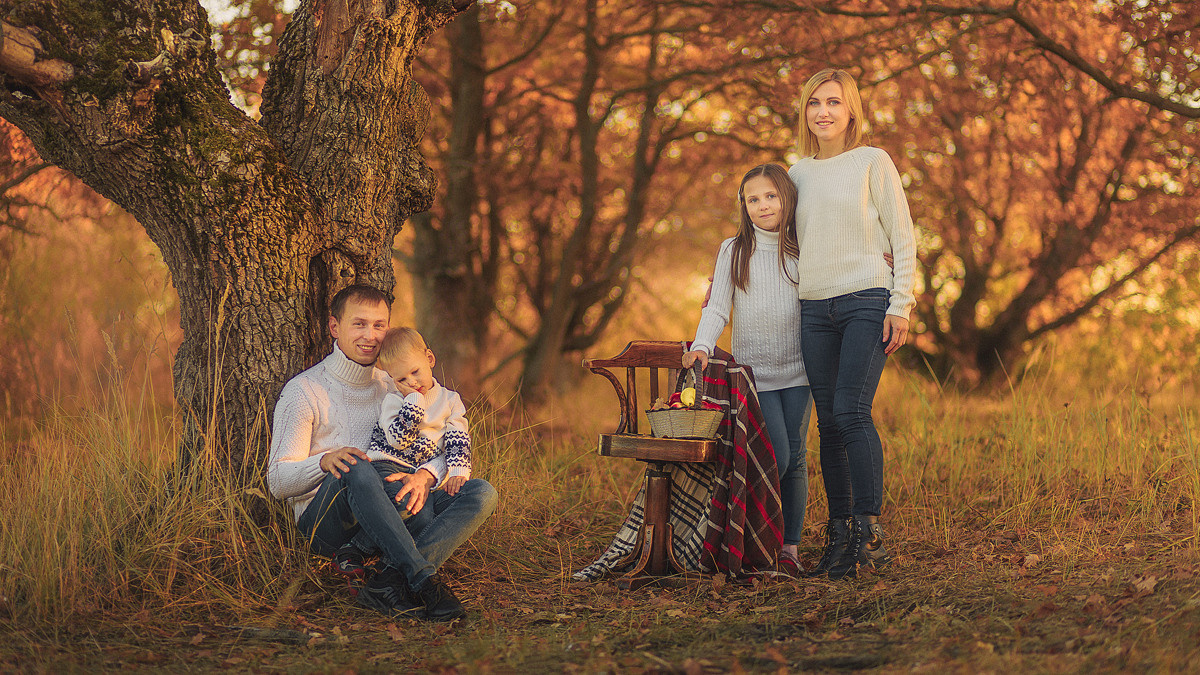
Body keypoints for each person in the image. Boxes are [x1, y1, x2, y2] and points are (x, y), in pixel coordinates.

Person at [267, 284, 498, 621]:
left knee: (481, 492)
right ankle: (422, 578)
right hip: (327, 526)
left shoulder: (397, 382)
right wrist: (323, 461)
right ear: (334, 327)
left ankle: (388, 577)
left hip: (394, 506)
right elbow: (277, 481)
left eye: (379, 325)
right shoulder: (304, 391)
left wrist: (426, 475)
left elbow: (438, 444)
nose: (371, 336)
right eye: (359, 324)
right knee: (358, 466)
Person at [788, 68, 917, 580]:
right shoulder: (797, 174)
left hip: (867, 299)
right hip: (814, 307)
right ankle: (838, 535)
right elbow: (786, 245)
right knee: (826, 423)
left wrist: (900, 303)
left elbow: (902, 235)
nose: (823, 111)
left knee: (850, 412)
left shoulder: (872, 161)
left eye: (834, 102)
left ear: (851, 112)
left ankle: (868, 532)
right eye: (814, 102)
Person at [683, 163, 812, 576]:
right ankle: (758, 539)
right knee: (778, 456)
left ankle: (789, 546)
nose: (762, 205)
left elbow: (842, 271)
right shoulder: (734, 250)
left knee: (798, 457)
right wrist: (702, 345)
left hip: (801, 371)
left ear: (787, 198)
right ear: (744, 205)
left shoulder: (804, 245)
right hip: (753, 374)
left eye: (770, 196)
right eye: (753, 199)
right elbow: (717, 305)